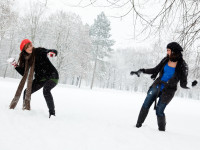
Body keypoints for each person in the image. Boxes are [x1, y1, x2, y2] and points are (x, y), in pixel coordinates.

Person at [130, 42, 197, 131]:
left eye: (168, 50)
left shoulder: (182, 66)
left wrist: (191, 85)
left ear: (174, 51)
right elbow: (155, 69)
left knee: (159, 111)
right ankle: (138, 126)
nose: (167, 52)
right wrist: (142, 71)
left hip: (169, 91)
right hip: (157, 85)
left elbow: (183, 84)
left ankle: (161, 132)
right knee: (145, 104)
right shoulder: (165, 60)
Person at [8, 39, 59, 118]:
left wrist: (52, 52)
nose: (30, 48)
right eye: (27, 47)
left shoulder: (39, 51)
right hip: (41, 78)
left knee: (46, 90)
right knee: (26, 92)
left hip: (52, 76)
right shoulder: (26, 59)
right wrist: (15, 65)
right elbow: (23, 73)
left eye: (30, 45)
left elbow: (51, 51)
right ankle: (26, 109)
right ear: (24, 49)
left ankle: (52, 114)